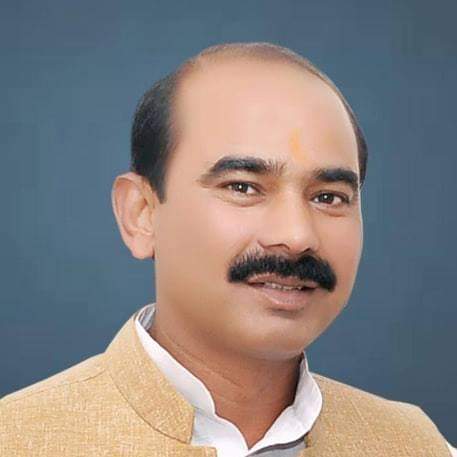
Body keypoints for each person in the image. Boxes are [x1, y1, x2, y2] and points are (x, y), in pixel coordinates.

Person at [1, 42, 455, 457]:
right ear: (141, 213)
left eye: (328, 197)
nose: (297, 236)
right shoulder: (19, 439)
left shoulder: (415, 445)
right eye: (243, 187)